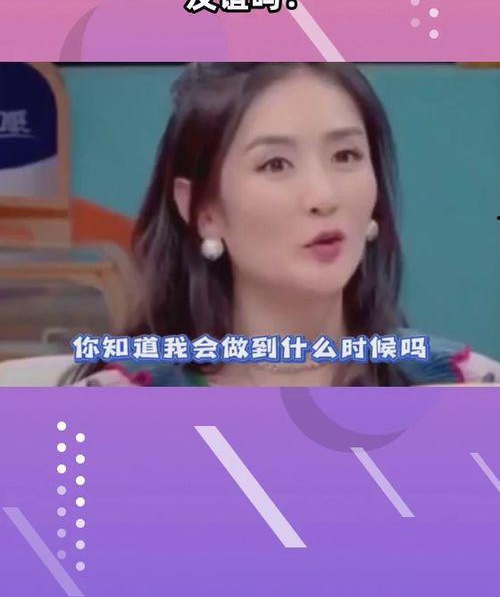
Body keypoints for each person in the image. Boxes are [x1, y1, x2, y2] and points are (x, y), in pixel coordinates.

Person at [54, 62, 498, 387]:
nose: (323, 197)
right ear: (203, 211)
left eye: (346, 156)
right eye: (275, 164)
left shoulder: (463, 385)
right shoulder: (120, 403)